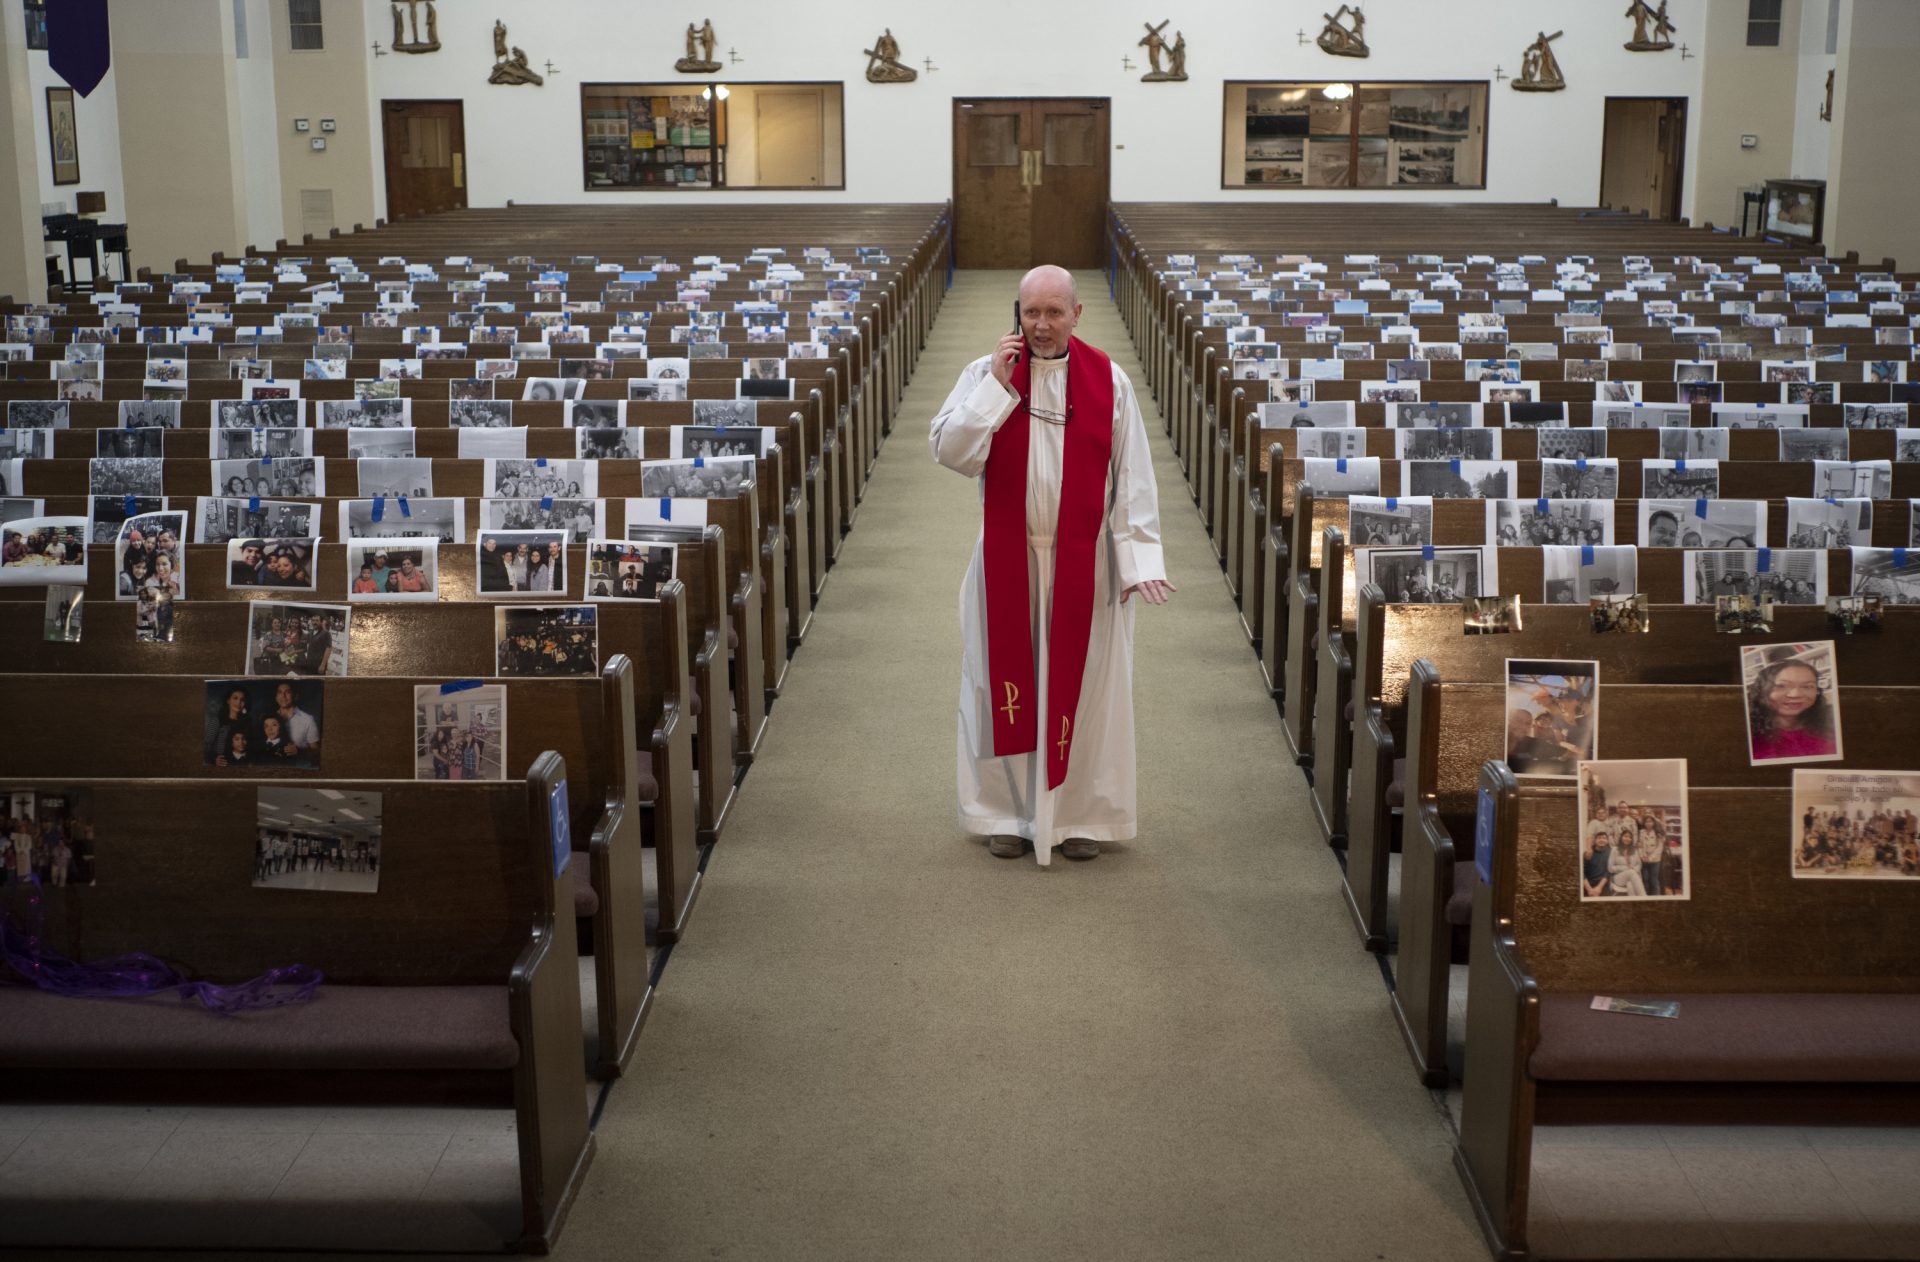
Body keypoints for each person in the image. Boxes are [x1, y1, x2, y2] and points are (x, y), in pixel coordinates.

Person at [930, 265, 1173, 865]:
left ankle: (1081, 815)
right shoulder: (984, 373)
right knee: (997, 684)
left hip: (1085, 563)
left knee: (1089, 689)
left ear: (1076, 314)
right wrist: (995, 386)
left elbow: (1133, 476)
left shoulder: (1108, 382)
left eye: (1053, 313)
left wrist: (1136, 558)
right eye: (1030, 312)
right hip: (1006, 560)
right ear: (1018, 311)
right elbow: (951, 453)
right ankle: (1004, 814)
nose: (1040, 326)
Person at [1747, 654, 1839, 762]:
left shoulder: (1833, 722)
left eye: (1807, 686)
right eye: (1781, 686)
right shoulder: (1749, 732)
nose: (1795, 694)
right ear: (1762, 691)